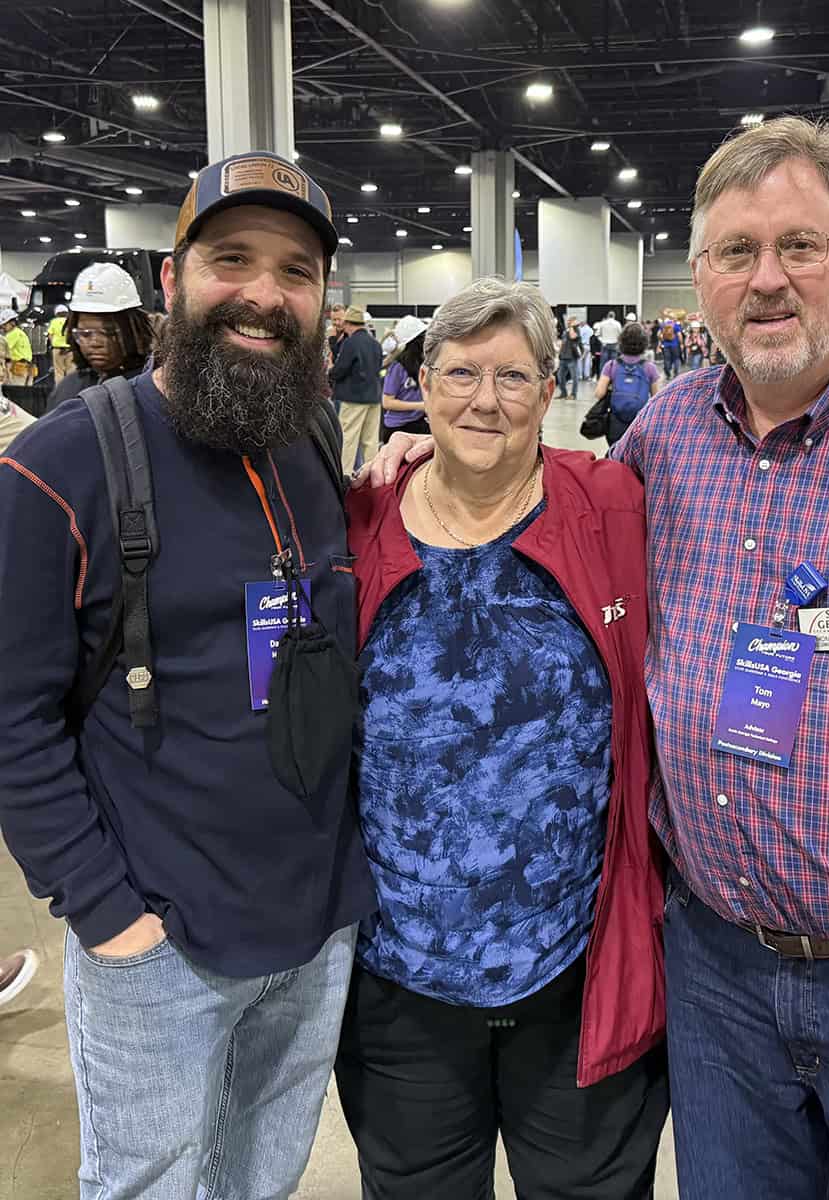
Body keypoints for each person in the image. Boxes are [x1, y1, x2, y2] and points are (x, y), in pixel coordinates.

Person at [365, 114, 829, 1199]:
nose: (766, 279)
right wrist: (418, 463)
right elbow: (544, 502)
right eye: (736, 252)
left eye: (799, 246)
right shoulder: (665, 437)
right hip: (719, 975)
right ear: (703, 278)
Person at [0, 149, 375, 1199]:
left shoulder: (300, 438)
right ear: (173, 281)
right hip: (159, 937)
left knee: (262, 1172)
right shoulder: (61, 465)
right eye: (231, 259)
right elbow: (12, 720)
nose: (263, 293)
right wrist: (107, 913)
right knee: (150, 1182)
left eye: (295, 270)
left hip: (316, 921)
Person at [337, 276, 667, 1198]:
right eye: (461, 373)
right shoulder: (359, 517)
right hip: (399, 978)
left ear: (551, 389)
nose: (486, 399)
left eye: (515, 378)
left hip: (575, 967)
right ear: (424, 383)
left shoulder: (611, 505)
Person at [46, 263, 156, 410]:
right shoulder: (67, 389)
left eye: (109, 332)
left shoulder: (153, 387)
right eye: (85, 334)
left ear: (131, 330)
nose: (95, 343)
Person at [331, 304, 384, 474]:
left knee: (348, 439)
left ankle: (345, 476)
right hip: (374, 398)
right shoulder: (375, 344)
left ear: (348, 324)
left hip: (353, 398)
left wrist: (330, 373)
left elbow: (340, 369)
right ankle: (372, 475)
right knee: (370, 441)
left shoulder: (351, 343)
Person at [592, 320, 661, 445]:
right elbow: (657, 398)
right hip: (640, 423)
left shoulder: (611, 365)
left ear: (622, 341)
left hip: (615, 423)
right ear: (644, 342)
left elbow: (599, 393)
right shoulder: (650, 368)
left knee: (615, 458)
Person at [381, 314, 429, 443]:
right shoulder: (398, 367)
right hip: (398, 428)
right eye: (424, 336)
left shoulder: (424, 363)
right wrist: (420, 406)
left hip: (418, 422)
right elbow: (387, 402)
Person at [1, 313, 34, 387]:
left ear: (12, 323)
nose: (2, 328)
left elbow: (2, 348)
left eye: (4, 325)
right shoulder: (19, 332)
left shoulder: (13, 334)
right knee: (24, 392)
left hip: (17, 367)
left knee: (14, 391)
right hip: (26, 367)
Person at [555, 316, 582, 399]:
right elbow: (563, 342)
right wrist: (559, 353)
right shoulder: (566, 331)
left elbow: (573, 337)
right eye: (568, 321)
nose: (568, 322)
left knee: (574, 377)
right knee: (560, 376)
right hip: (563, 357)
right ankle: (563, 393)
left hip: (572, 357)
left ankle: (573, 394)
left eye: (570, 321)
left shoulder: (576, 329)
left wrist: (571, 327)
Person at [49, 303, 74, 384]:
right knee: (71, 371)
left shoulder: (54, 322)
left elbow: (50, 335)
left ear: (56, 313)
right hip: (70, 350)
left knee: (59, 372)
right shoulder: (70, 321)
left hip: (57, 349)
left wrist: (53, 343)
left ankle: (60, 392)